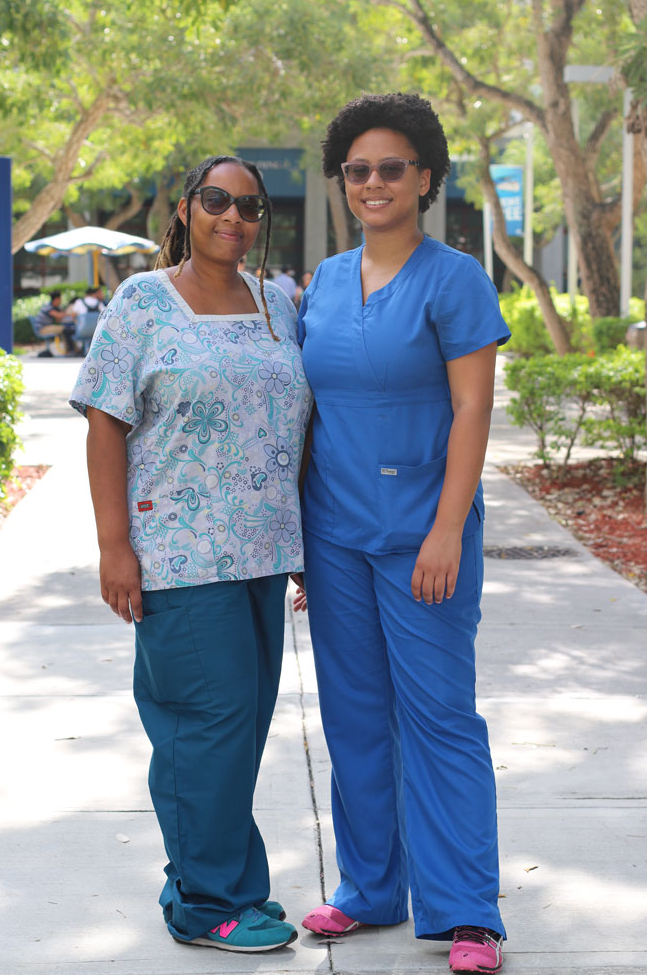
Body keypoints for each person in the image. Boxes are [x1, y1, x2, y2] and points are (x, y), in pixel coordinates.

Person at [70, 156, 312, 953]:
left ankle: (220, 887)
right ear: (186, 207)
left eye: (248, 205)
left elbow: (293, 425)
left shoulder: (274, 304)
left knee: (237, 733)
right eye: (216, 200)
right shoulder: (143, 301)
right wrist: (114, 547)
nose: (232, 216)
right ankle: (208, 906)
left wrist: (304, 543)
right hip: (177, 555)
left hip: (262, 553)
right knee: (202, 727)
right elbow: (105, 419)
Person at [295, 93, 510, 974]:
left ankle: (465, 912)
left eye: (391, 168)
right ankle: (369, 889)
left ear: (424, 178)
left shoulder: (454, 278)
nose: (373, 182)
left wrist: (447, 529)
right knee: (351, 715)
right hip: (334, 533)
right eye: (357, 171)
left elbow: (471, 408)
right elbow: (309, 411)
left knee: (438, 716)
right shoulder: (321, 283)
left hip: (426, 531)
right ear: (342, 183)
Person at [32, 290, 77, 354]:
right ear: (56, 299)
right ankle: (71, 350)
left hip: (47, 327)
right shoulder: (48, 307)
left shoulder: (55, 307)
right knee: (66, 329)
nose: (61, 301)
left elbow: (58, 320)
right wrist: (70, 313)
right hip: (42, 329)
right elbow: (59, 315)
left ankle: (71, 350)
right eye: (60, 299)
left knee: (66, 329)